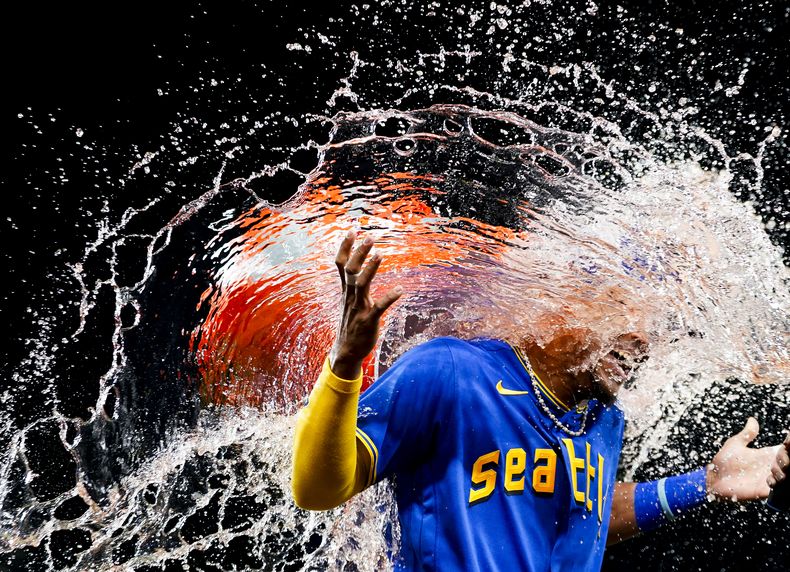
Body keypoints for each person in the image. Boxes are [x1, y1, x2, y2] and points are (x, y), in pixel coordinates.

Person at [291, 231, 790, 571]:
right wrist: (345, 363)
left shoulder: (603, 419)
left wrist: (703, 483)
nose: (643, 337)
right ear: (564, 301)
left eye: (654, 323)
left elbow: (577, 517)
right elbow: (317, 490)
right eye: (624, 307)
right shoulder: (451, 372)